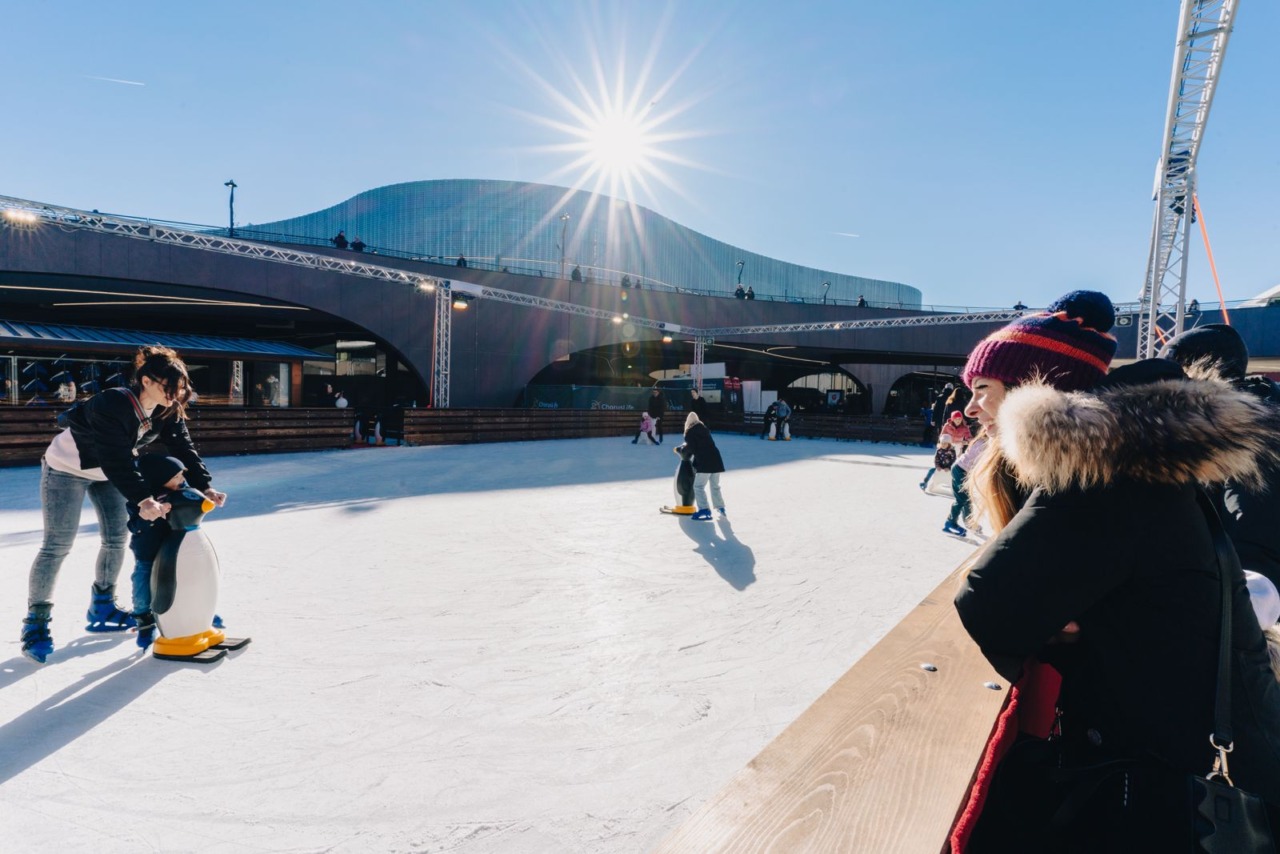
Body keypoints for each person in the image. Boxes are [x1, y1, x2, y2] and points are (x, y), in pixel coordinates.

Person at [953, 291, 1280, 849]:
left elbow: (989, 606)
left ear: (1031, 389)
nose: (971, 407)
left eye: (982, 389)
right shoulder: (1137, 456)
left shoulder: (1102, 467)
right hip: (1196, 744)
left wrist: (1060, 621)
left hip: (1189, 776)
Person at [21, 345, 227, 664]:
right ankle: (36, 622)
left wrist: (205, 486)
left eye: (180, 388)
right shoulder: (113, 402)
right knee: (57, 545)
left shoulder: (166, 408)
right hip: (65, 469)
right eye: (169, 387)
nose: (175, 395)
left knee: (116, 540)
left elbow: (182, 446)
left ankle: (103, 606)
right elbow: (115, 456)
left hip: (109, 473)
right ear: (146, 381)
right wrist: (143, 498)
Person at [1160, 324, 1280, 590]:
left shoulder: (1251, 432)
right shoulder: (1218, 427)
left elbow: (1255, 548)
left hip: (1241, 598)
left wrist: (1230, 603)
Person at [126, 455, 188, 649]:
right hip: (148, 549)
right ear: (160, 478)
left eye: (181, 475)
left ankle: (197, 610)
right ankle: (144, 620)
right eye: (176, 476)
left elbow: (197, 504)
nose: (181, 480)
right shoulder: (140, 499)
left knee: (187, 578)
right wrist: (150, 516)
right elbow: (134, 526)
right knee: (143, 581)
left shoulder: (182, 491)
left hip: (177, 547)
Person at [675, 412, 725, 520]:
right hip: (716, 460)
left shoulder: (690, 432)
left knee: (698, 486)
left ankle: (704, 509)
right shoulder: (704, 430)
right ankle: (720, 507)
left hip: (705, 462)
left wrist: (680, 449)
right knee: (715, 486)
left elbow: (691, 448)